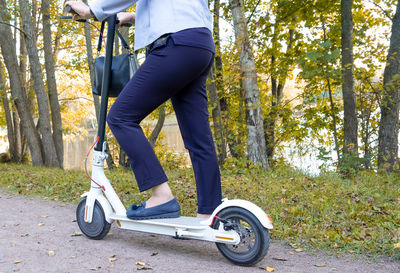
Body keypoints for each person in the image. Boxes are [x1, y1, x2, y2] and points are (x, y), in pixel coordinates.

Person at [65, 0, 222, 220]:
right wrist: (130, 17)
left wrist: (92, 10)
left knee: (120, 117)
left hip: (173, 45)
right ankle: (209, 212)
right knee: (199, 138)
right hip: (199, 45)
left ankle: (161, 195)